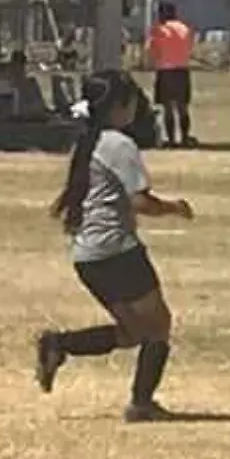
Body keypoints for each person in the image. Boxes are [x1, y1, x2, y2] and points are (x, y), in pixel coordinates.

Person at [35, 70, 195, 422]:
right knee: (158, 326)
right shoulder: (120, 145)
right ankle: (141, 405)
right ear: (120, 105)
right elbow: (140, 202)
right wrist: (175, 208)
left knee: (132, 332)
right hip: (117, 250)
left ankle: (59, 345)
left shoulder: (87, 141)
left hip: (87, 254)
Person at [147, 2, 197, 148]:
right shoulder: (184, 28)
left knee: (168, 107)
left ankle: (171, 139)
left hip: (165, 71)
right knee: (183, 107)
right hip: (182, 70)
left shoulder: (159, 30)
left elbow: (153, 51)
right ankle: (185, 137)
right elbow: (189, 47)